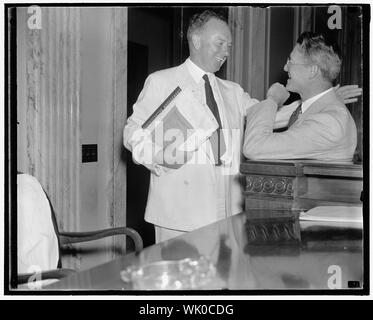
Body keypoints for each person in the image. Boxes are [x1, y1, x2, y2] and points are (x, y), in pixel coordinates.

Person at [124, 12, 361, 243]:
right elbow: (133, 133)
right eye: (220, 43)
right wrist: (161, 158)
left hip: (227, 211)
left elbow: (268, 115)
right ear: (196, 41)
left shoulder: (233, 91)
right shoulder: (162, 81)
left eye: (229, 45)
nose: (226, 51)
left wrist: (319, 99)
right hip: (178, 213)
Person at [243, 32, 358, 161]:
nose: (285, 68)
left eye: (290, 61)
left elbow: (254, 147)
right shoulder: (314, 110)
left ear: (312, 70)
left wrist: (272, 99)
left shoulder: (329, 122)